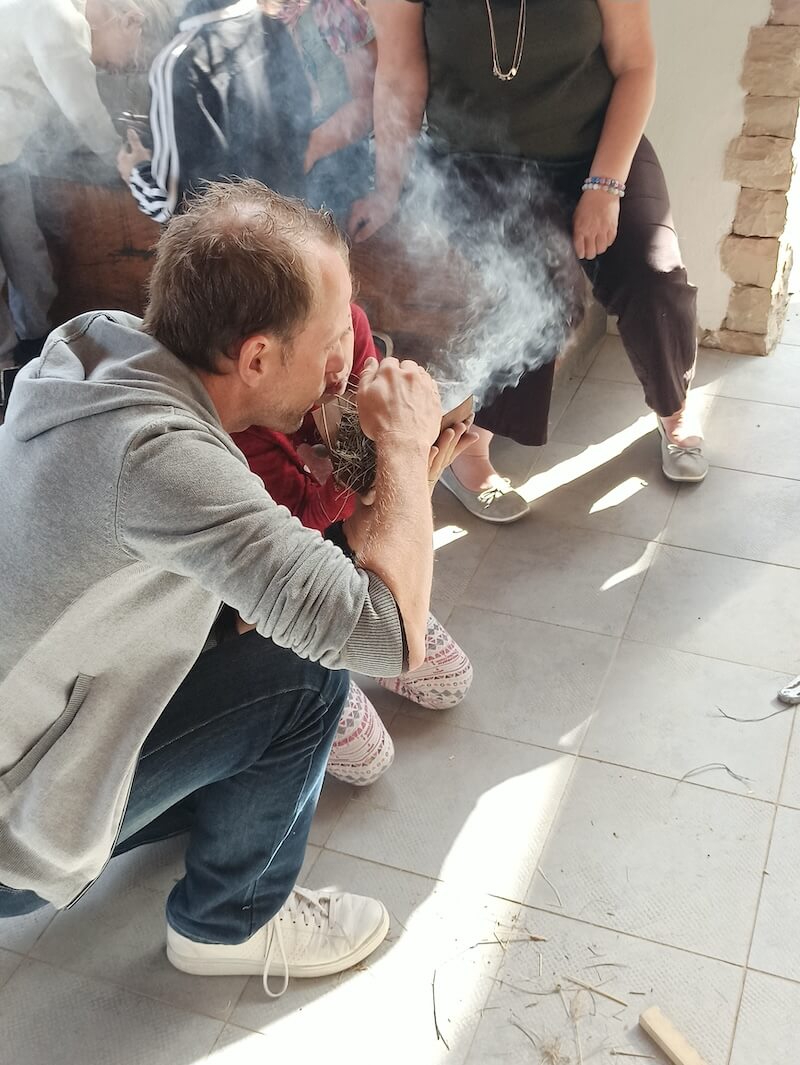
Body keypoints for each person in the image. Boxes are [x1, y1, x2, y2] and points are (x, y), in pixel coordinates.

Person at [0, 180, 470, 996]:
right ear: (256, 357)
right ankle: (227, 923)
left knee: (271, 669)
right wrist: (400, 449)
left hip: (36, 724)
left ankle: (197, 820)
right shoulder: (165, 459)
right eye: (330, 345)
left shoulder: (98, 339)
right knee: (305, 684)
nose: (341, 370)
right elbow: (389, 635)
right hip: (10, 828)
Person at [350, 0, 708, 523]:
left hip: (595, 149)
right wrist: (387, 188)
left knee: (653, 276)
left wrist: (605, 186)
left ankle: (672, 408)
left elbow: (637, 65)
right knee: (526, 282)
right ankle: (467, 450)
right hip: (477, 162)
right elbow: (401, 72)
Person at [233, 299, 474, 785]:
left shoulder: (350, 328)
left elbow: (365, 520)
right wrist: (396, 458)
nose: (344, 360)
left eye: (344, 329)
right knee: (369, 760)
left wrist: (407, 466)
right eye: (323, 345)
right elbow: (304, 526)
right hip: (269, 603)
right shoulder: (237, 429)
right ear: (259, 356)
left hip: (341, 550)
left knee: (451, 680)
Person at [0, 0, 145, 392]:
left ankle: (31, 357)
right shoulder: (54, 13)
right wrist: (126, 162)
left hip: (6, 156)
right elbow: (83, 111)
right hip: (4, 153)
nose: (117, 67)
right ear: (129, 18)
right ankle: (11, 379)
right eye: (128, 57)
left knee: (28, 262)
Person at [118, 0, 312, 222]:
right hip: (289, 229)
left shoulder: (177, 63)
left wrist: (136, 170)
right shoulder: (273, 28)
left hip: (231, 244)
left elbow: (167, 204)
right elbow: (300, 130)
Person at [275, 0, 377, 227]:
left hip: (338, 164)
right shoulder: (261, 17)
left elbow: (369, 103)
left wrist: (310, 149)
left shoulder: (335, 9)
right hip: (289, 164)